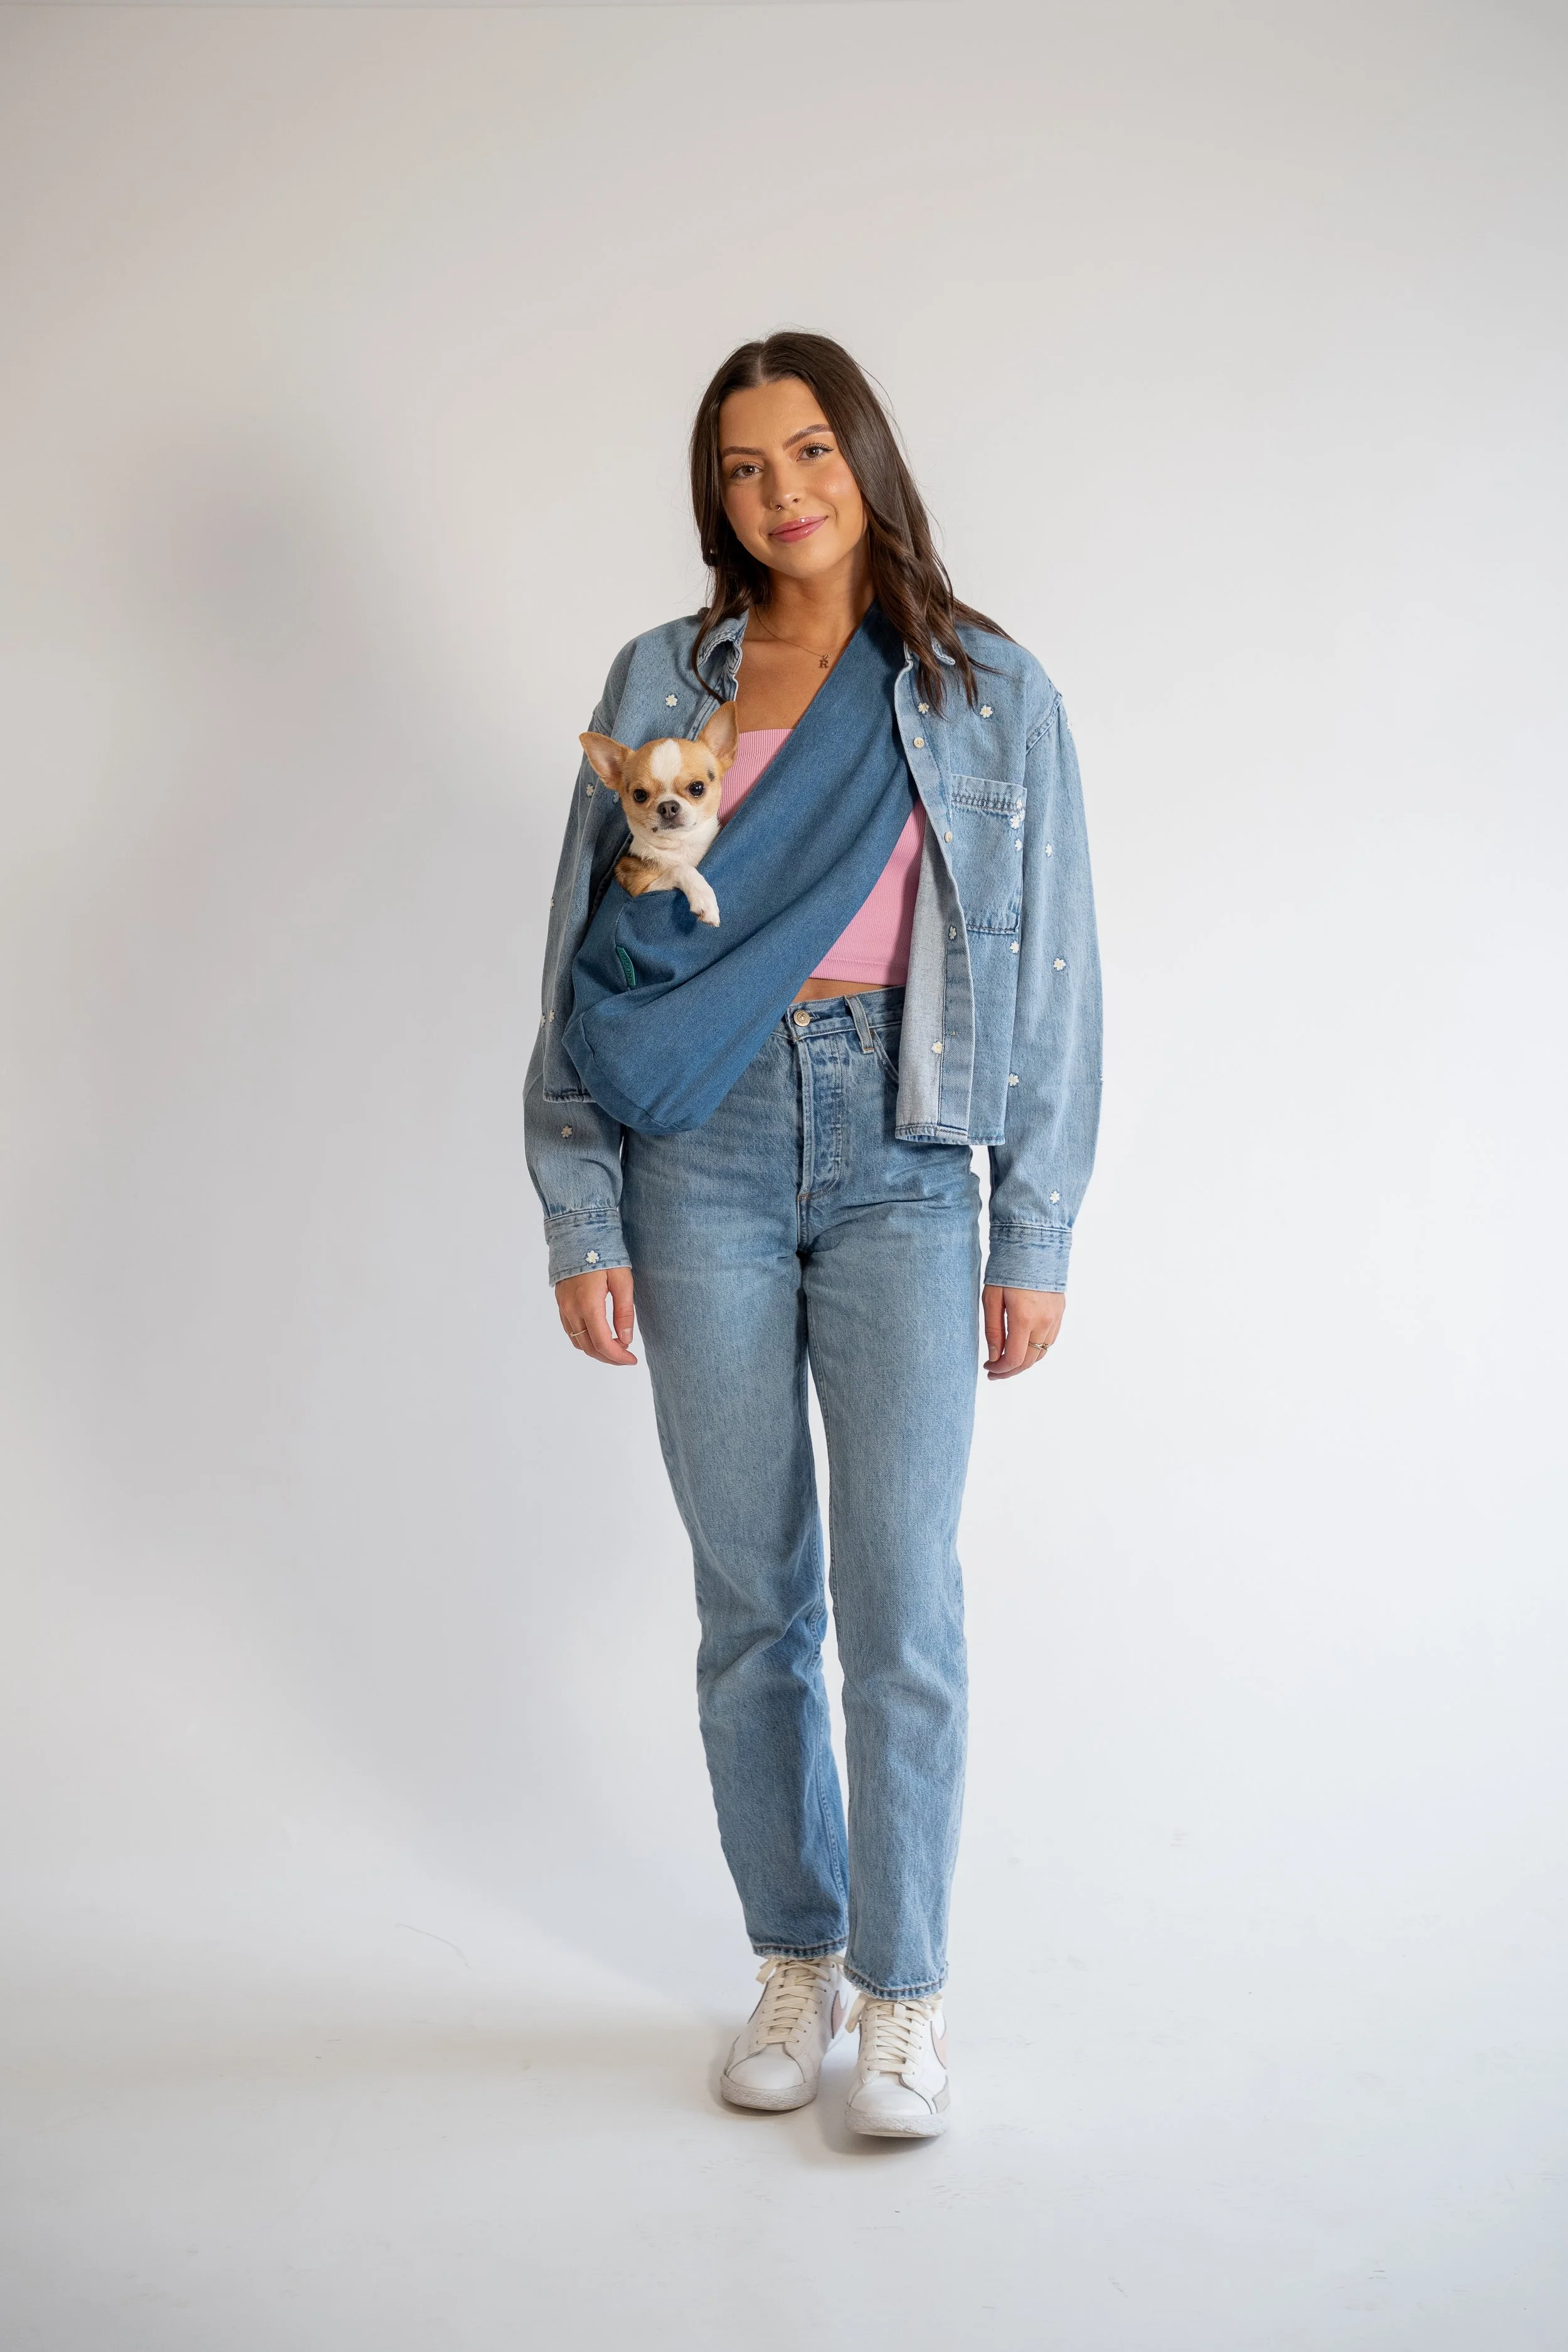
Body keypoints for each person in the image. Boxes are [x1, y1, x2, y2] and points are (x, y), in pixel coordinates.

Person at [525, 332, 1101, 2138]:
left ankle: (904, 1992)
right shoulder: (658, 677)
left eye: (809, 452)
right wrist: (577, 1200)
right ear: (716, 494)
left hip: (904, 1148)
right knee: (751, 1595)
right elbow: (585, 960)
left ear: (865, 454)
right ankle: (796, 1957)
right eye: (743, 465)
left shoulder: (985, 687)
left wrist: (1035, 1227)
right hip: (693, 1145)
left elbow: (1058, 968)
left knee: (901, 1597)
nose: (782, 491)